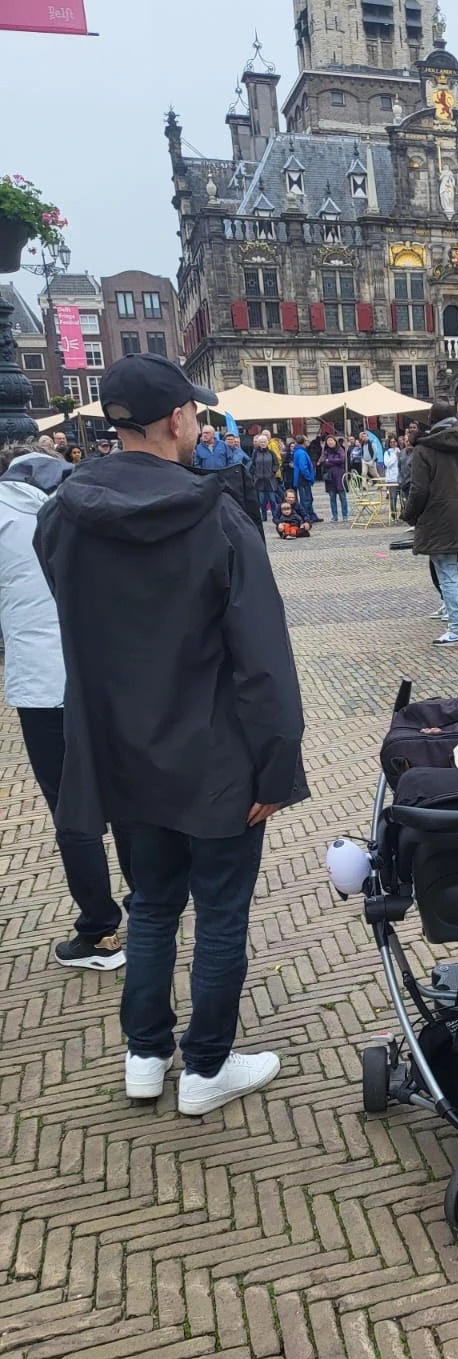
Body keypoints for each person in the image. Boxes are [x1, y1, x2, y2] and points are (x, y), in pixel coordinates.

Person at [34, 352, 308, 1116]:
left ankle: (146, 1055)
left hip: (124, 754)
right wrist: (276, 767)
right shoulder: (215, 514)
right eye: (193, 412)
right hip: (215, 757)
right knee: (219, 911)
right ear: (178, 419)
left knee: (151, 904)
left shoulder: (62, 515)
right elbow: (262, 658)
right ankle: (206, 1066)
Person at [0, 439, 131, 971]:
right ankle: (151, 904)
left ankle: (100, 932)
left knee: (71, 810)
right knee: (127, 796)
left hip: (42, 687)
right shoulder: (89, 508)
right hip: (106, 677)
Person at [403, 398, 458, 646]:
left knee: (447, 573)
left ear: (431, 421)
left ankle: (456, 629)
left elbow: (418, 490)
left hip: (438, 518)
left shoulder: (424, 450)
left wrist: (410, 515)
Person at [251, 431, 281, 522]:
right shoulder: (255, 453)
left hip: (270, 480)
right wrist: (256, 473)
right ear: (259, 443)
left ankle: (275, 516)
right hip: (259, 480)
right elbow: (253, 465)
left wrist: (273, 472)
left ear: (267, 442)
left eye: (264, 442)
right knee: (261, 500)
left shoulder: (271, 453)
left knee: (272, 499)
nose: (263, 443)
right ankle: (263, 516)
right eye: (261, 442)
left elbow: (276, 464)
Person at [322, 435, 349, 523]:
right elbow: (324, 462)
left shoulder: (340, 449)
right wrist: (333, 460)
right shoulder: (325, 451)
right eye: (328, 441)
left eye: (331, 440)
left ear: (335, 441)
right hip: (330, 477)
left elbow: (341, 460)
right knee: (332, 497)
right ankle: (334, 516)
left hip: (339, 476)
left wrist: (329, 460)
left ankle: (345, 515)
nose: (330, 442)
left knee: (342, 497)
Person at [292, 434, 317, 522]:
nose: (308, 442)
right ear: (303, 442)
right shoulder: (301, 452)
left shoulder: (299, 451)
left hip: (301, 478)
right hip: (303, 479)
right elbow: (303, 467)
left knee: (308, 498)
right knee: (306, 499)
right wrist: (309, 477)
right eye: (306, 440)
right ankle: (307, 517)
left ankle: (312, 515)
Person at [383, 433, 402, 520]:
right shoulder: (387, 453)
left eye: (394, 442)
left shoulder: (400, 451)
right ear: (389, 443)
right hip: (391, 479)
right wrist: (395, 457)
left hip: (400, 478)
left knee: (402, 497)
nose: (393, 443)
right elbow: (387, 464)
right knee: (393, 497)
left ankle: (403, 513)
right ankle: (393, 514)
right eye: (391, 442)